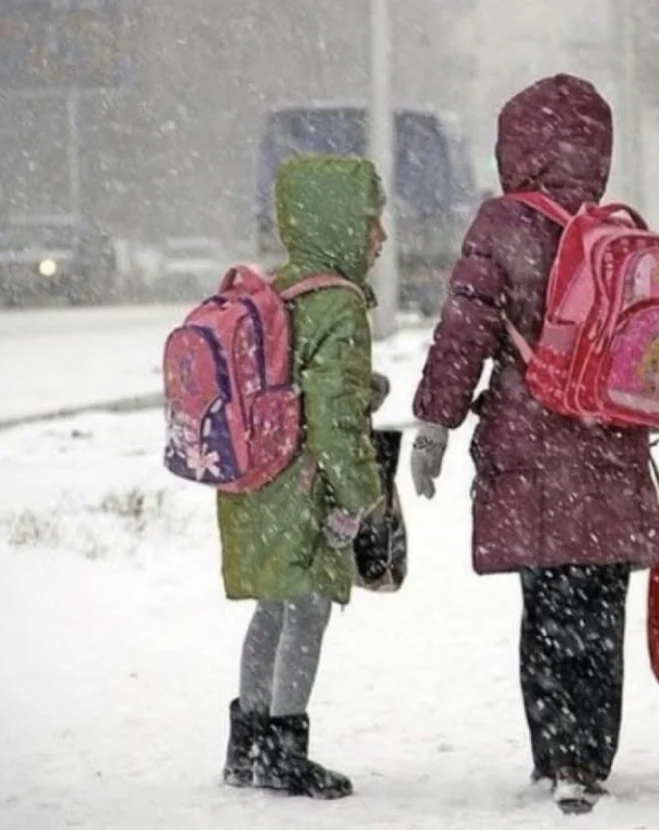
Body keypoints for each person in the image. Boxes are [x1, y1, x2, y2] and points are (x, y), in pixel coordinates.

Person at [408, 74, 659, 812]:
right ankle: (591, 758)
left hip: (530, 449)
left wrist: (435, 421)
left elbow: (465, 331)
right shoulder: (620, 230)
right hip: (612, 449)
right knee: (600, 613)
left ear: (514, 145)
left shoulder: (501, 225)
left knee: (547, 611)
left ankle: (555, 755)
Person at [219, 156, 391, 800]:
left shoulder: (278, 289)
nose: (381, 237)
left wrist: (354, 384)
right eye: (372, 222)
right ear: (341, 223)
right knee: (309, 608)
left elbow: (289, 377)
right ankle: (287, 751)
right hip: (305, 481)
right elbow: (333, 420)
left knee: (273, 603)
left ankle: (248, 746)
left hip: (257, 474)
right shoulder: (339, 305)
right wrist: (362, 496)